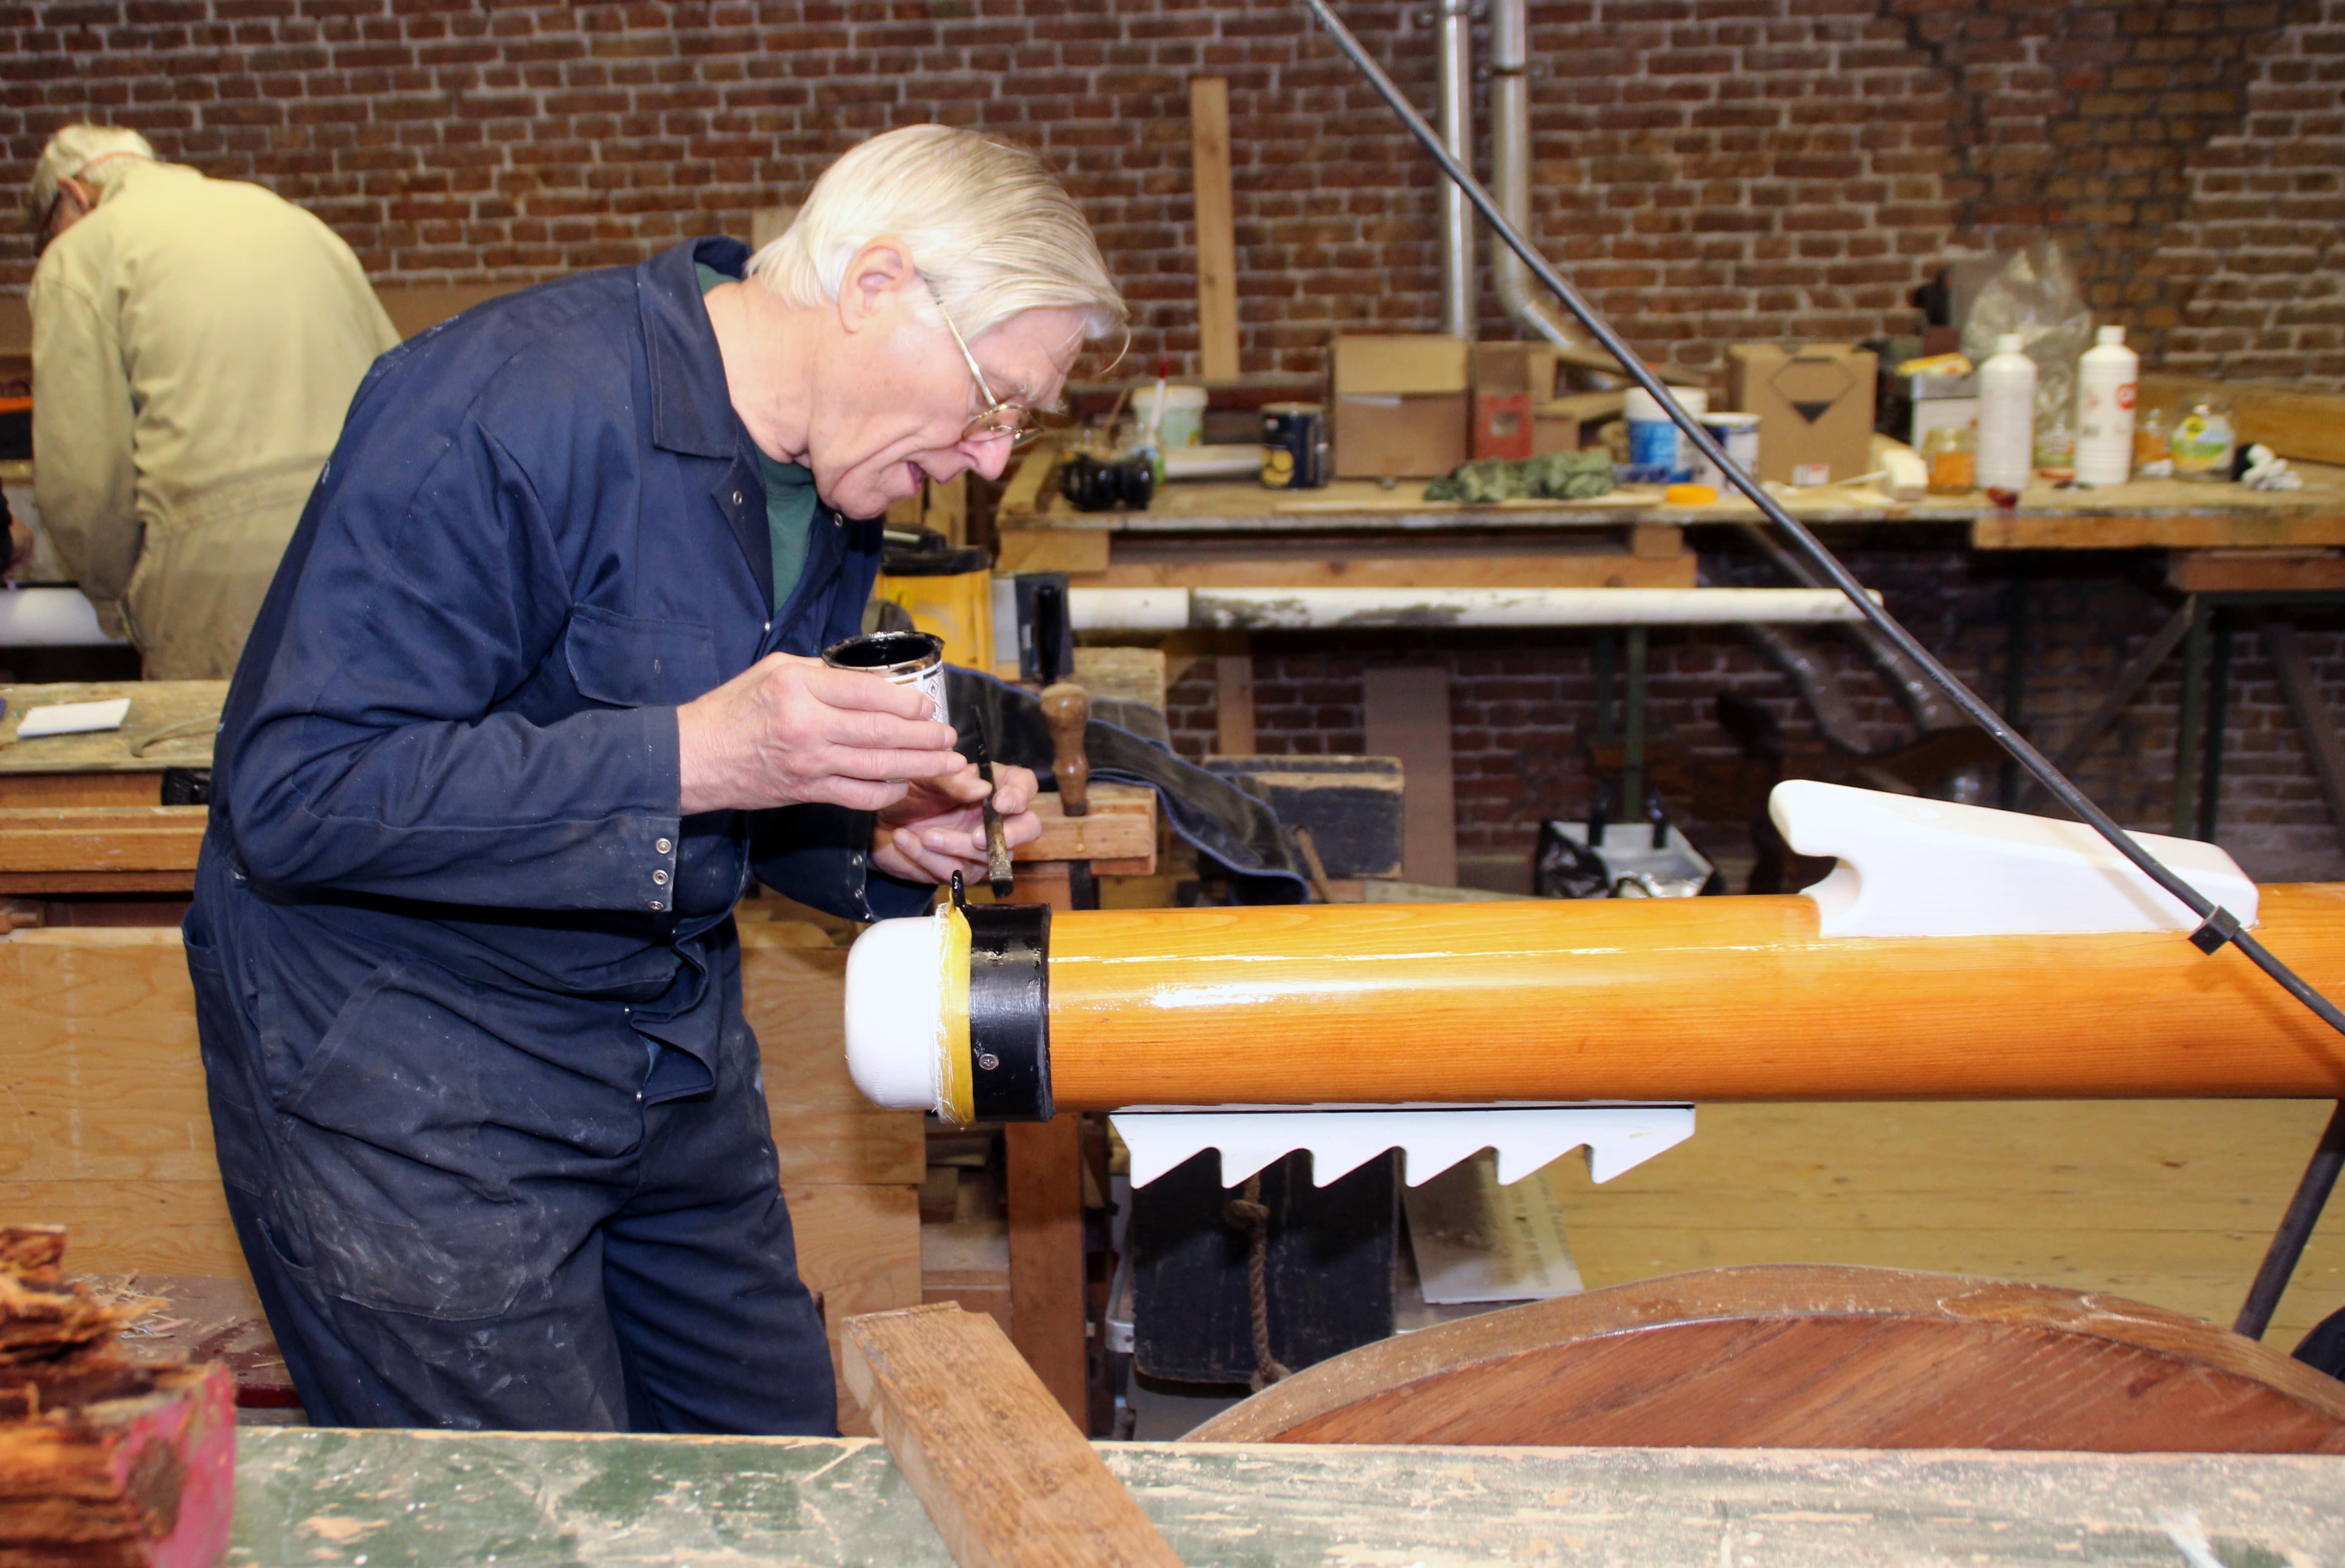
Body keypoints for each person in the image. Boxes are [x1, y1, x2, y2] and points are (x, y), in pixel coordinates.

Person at [185, 124, 1125, 1433]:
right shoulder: (500, 410)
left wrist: (871, 834)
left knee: (770, 1471)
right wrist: (706, 748)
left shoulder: (827, 485)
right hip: (416, 1085)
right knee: (531, 1524)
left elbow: (724, 789)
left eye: (1018, 422)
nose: (987, 457)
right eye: (989, 397)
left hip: (658, 1059)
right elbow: (298, 790)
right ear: (874, 285)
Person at [26, 125, 399, 677]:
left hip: (217, 578)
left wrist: (112, 599)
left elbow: (84, 485)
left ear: (73, 195)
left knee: (216, 758)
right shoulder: (295, 222)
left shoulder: (82, 253)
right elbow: (401, 393)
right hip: (366, 544)